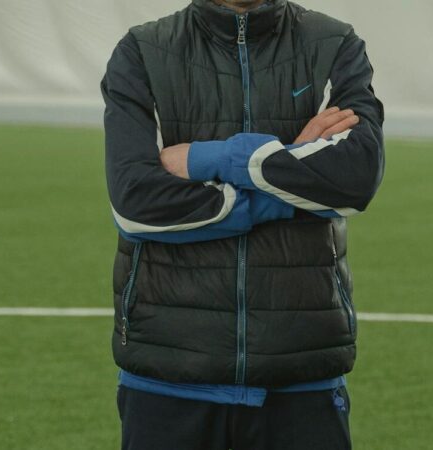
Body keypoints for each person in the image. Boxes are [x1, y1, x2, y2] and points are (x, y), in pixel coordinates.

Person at [101, 0, 384, 448]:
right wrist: (293, 178)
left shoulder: (334, 44)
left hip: (300, 379)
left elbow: (355, 178)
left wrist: (203, 158)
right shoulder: (142, 51)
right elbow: (135, 204)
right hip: (168, 375)